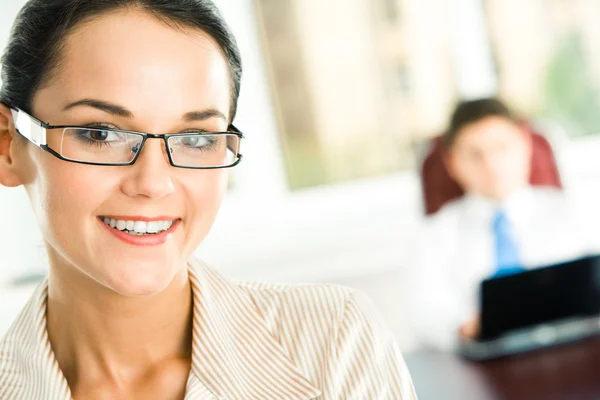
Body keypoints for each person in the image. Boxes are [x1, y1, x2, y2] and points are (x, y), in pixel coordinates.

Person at [0, 1, 417, 399]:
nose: (153, 182)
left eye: (196, 139)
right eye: (100, 134)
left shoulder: (333, 339)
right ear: (8, 146)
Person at [405, 98, 600, 350]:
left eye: (501, 148)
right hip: (483, 368)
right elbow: (426, 316)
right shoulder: (434, 236)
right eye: (475, 154)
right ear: (452, 163)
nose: (491, 165)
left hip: (578, 353)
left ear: (526, 145)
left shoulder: (579, 211)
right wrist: (464, 326)